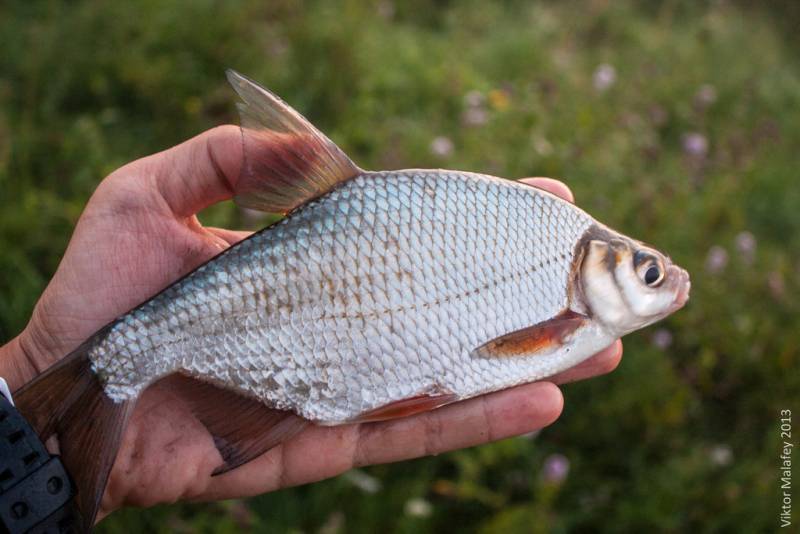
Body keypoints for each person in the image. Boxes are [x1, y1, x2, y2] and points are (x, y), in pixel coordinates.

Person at [0, 126, 622, 521]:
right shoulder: (562, 298)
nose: (666, 282)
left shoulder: (552, 245)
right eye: (647, 274)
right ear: (594, 267)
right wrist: (29, 381)